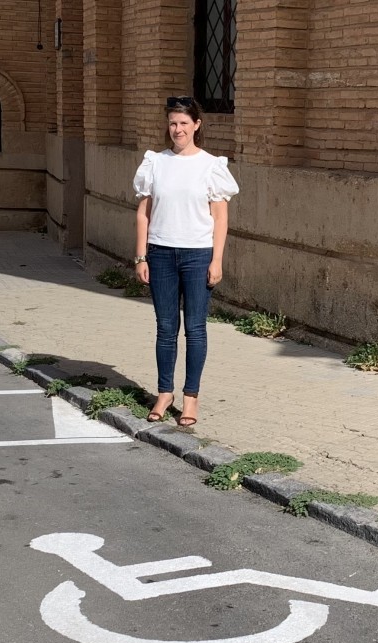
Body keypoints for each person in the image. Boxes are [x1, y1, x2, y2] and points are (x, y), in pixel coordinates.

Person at [132, 95, 239, 427]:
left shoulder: (211, 166)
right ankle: (165, 392)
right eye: (172, 123)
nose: (177, 129)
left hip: (197, 256)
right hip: (161, 254)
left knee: (195, 329)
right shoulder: (155, 162)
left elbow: (220, 219)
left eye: (183, 123)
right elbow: (143, 213)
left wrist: (216, 260)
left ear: (197, 125)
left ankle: (190, 398)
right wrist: (141, 256)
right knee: (166, 329)